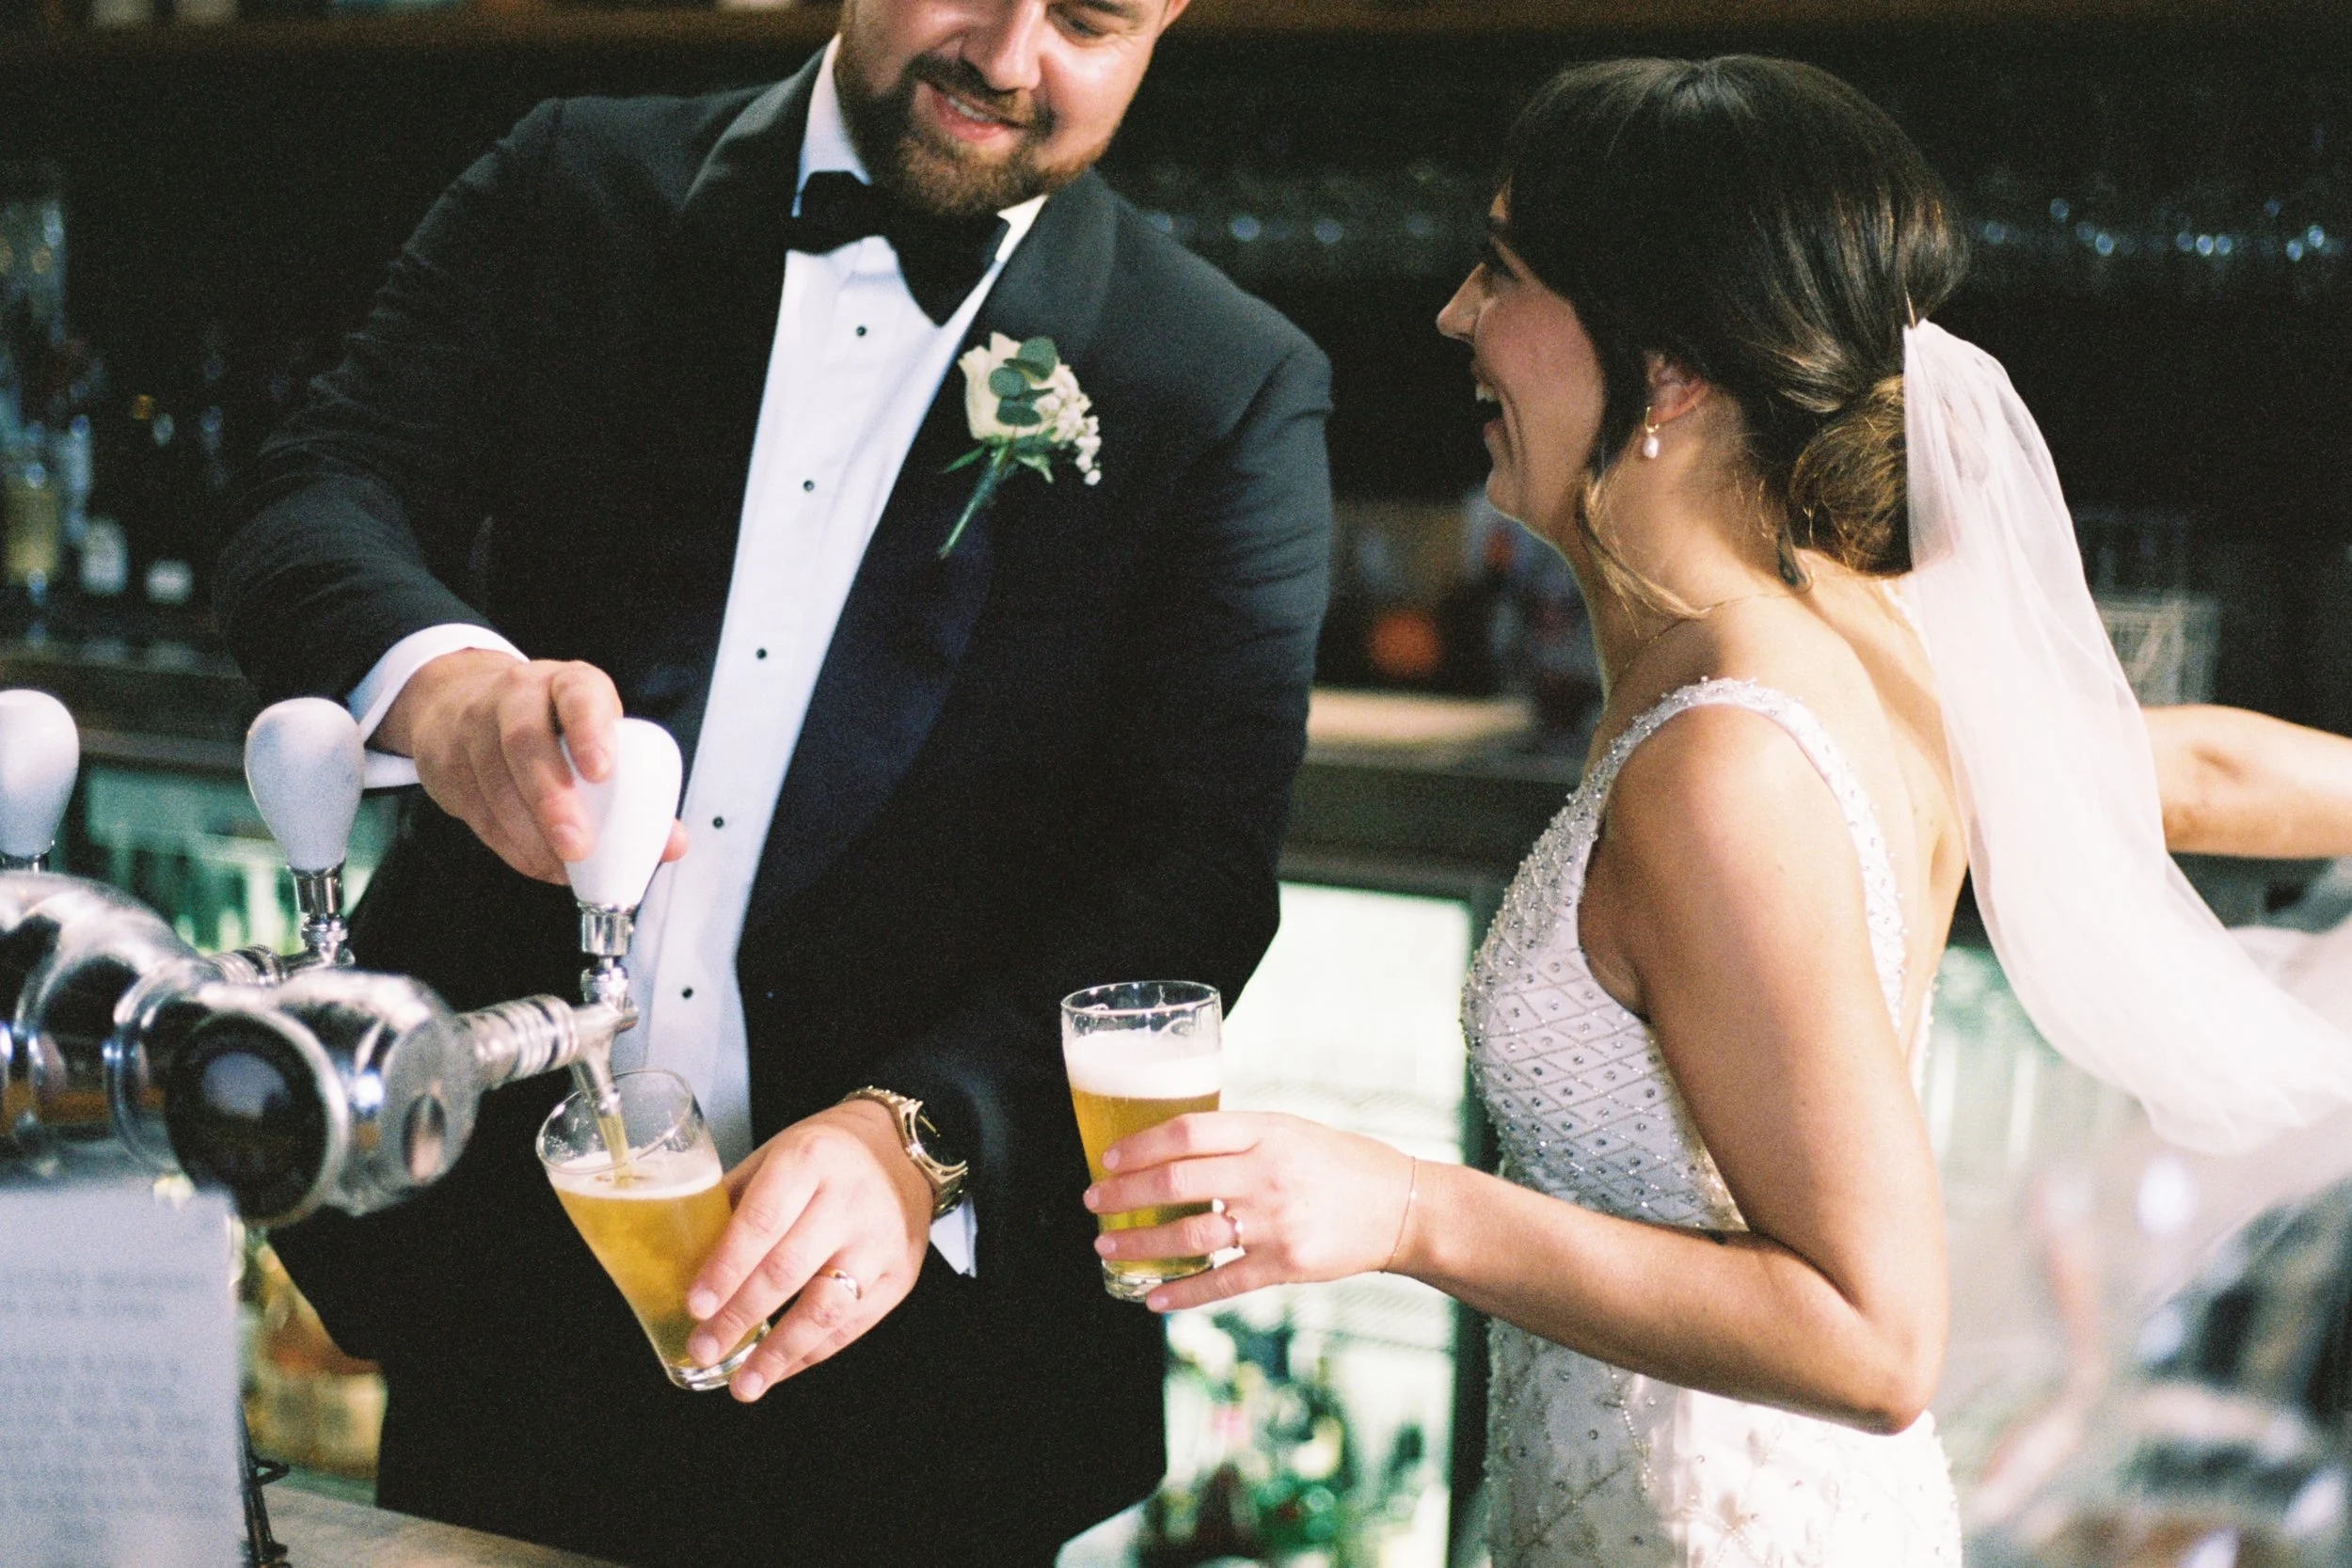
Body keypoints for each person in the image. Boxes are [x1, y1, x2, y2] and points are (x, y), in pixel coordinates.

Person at [1084, 56, 2352, 1567]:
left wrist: (1409, 1210)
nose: (1454, 318)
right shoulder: (1865, 629)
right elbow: (2193, 768)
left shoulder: (1725, 756)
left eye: (1502, 272)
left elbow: (1878, 1338)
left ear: (1668, 368)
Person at [213, 2, 1331, 1563]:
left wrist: (920, 1136)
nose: (1009, 58)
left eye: (1087, 16)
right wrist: (447, 687)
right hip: (505, 1309)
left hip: (923, 1391)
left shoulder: (1219, 381)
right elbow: (315, 493)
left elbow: (1191, 876)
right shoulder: (571, 189)